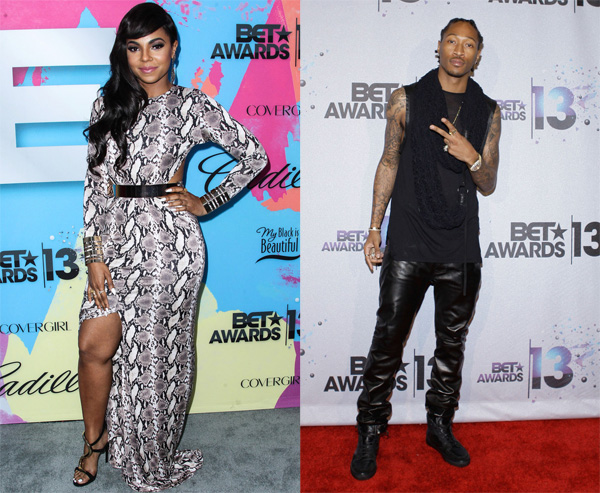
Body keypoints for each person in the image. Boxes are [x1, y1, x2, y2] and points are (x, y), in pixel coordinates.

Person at [72, 4, 268, 490]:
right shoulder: (107, 104)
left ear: (174, 48)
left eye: (156, 45)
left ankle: (151, 455)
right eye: (134, 47)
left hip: (169, 247)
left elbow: (254, 155)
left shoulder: (191, 106)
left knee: (156, 361)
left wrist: (206, 201)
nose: (146, 58)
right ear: (123, 52)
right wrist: (94, 255)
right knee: (94, 345)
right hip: (115, 238)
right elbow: (94, 187)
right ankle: (95, 441)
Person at [350, 18, 501, 480]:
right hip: (409, 239)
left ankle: (439, 426)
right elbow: (389, 161)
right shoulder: (406, 100)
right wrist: (374, 227)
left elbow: (488, 182)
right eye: (452, 41)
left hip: (460, 244)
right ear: (439, 47)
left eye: (468, 44)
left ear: (478, 54)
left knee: (451, 345)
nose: (459, 50)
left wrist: (472, 156)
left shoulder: (489, 111)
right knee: (387, 342)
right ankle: (370, 430)